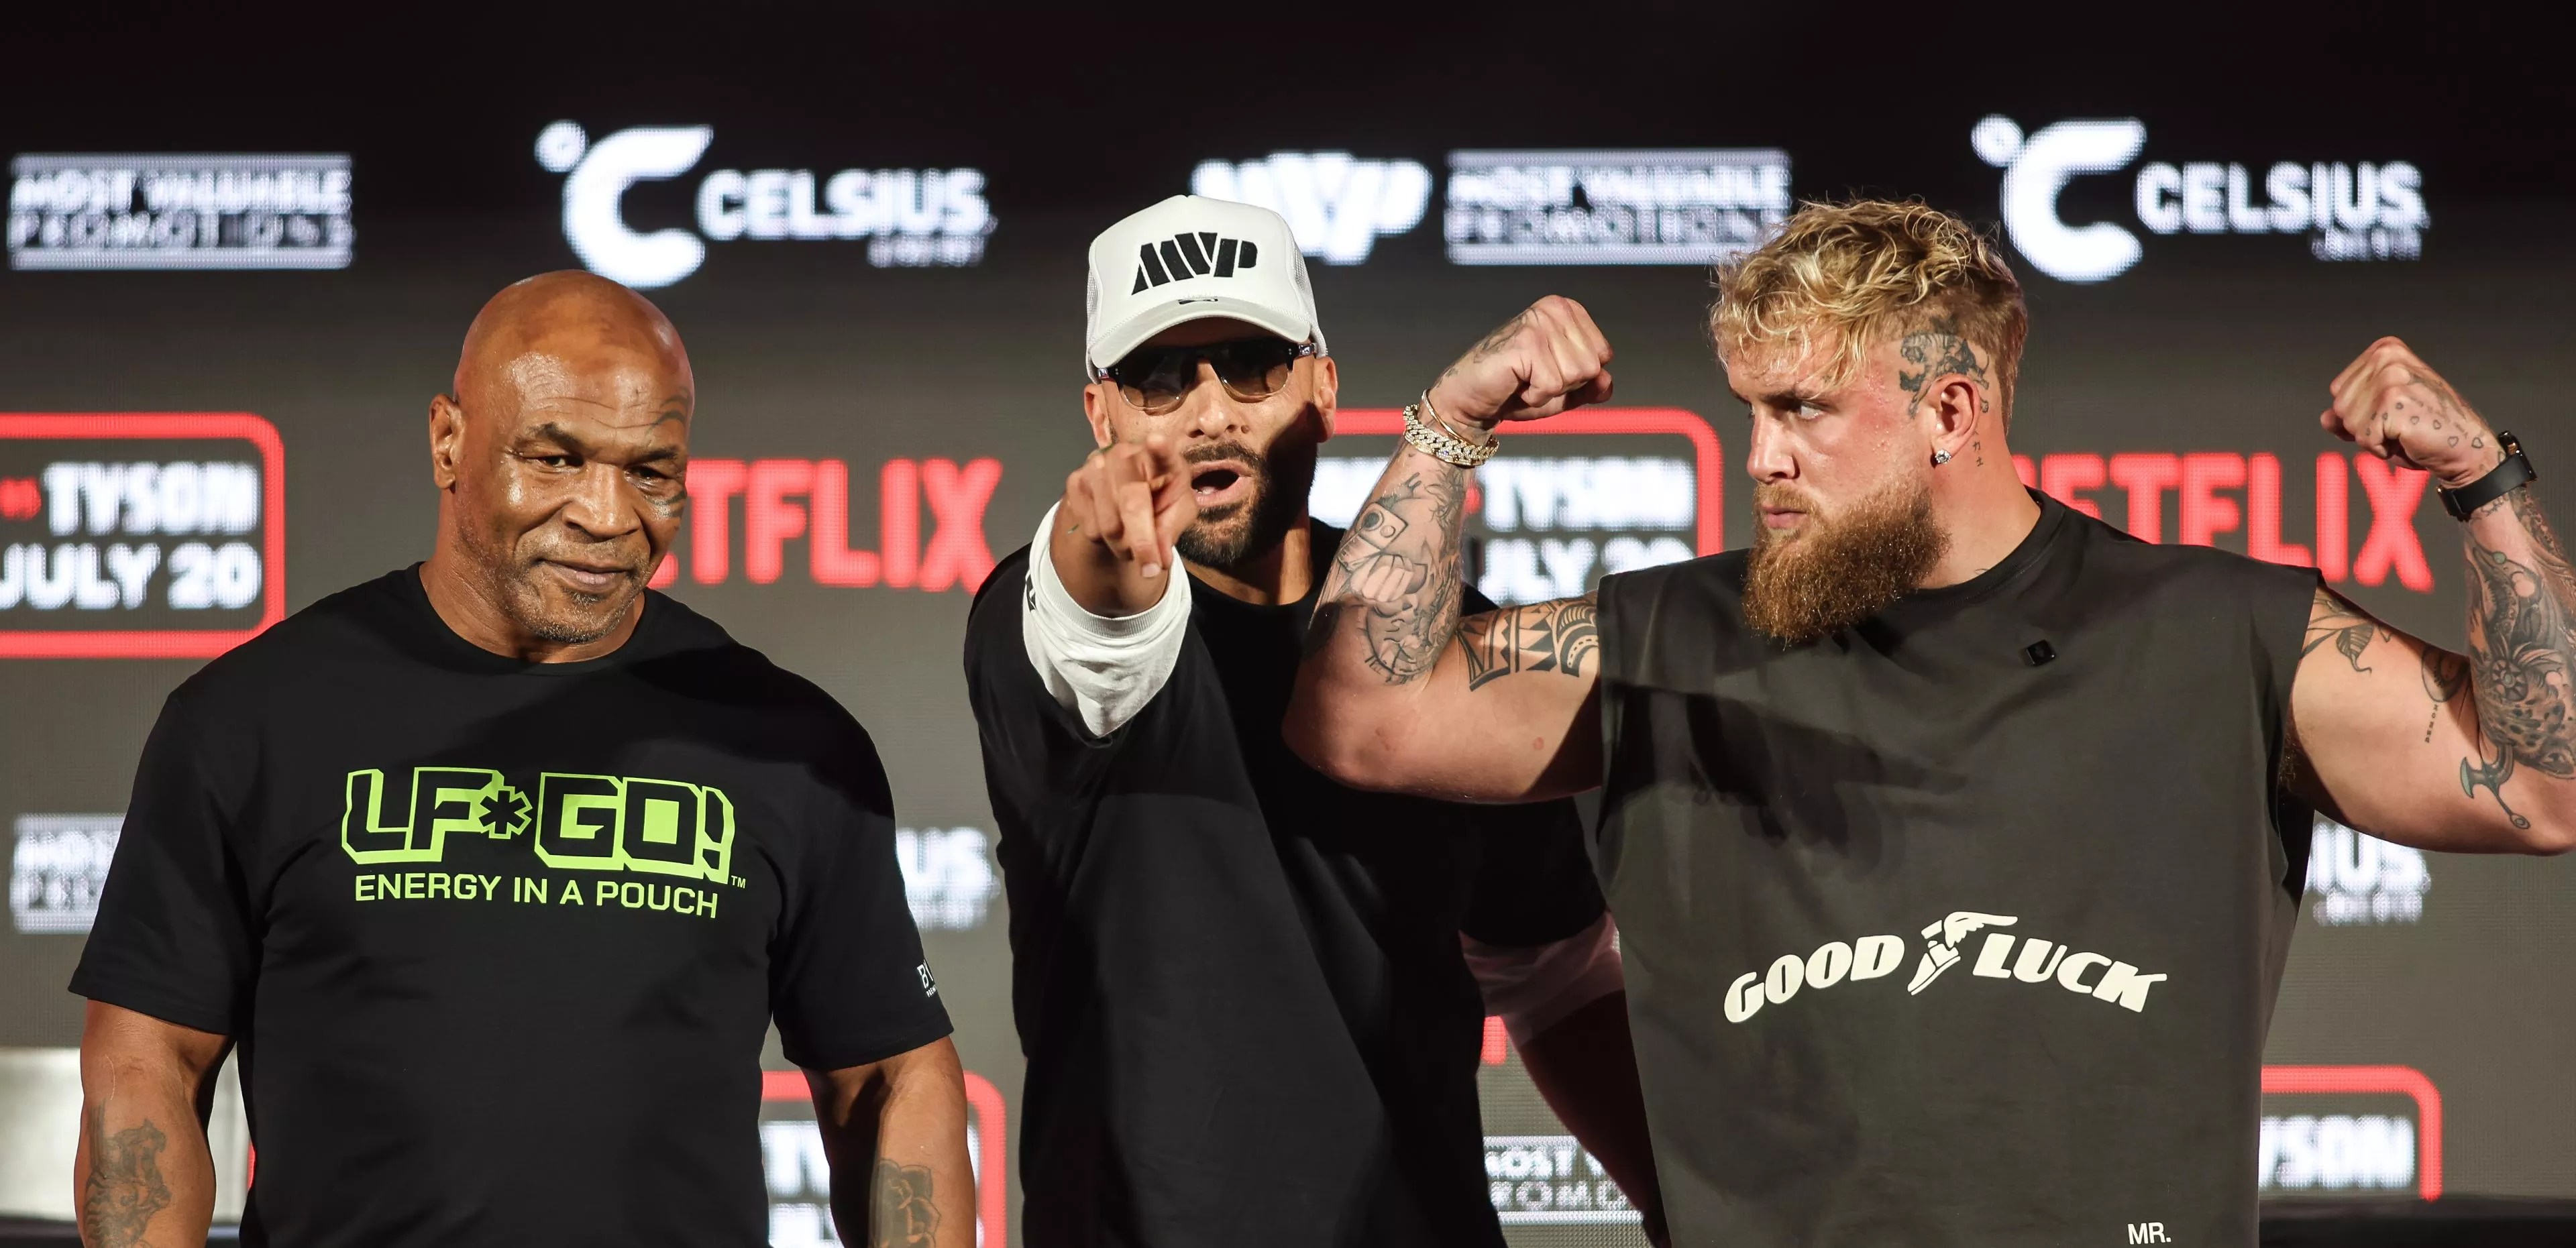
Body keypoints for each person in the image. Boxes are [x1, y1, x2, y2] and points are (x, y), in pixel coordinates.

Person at [1285, 199, 2575, 1245]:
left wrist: (2485, 480)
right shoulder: (1667, 644)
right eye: (1752, 411)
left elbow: (2543, 784)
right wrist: (1450, 426)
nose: (1762, 457)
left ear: (1953, 410)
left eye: (1803, 411)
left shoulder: (2220, 632)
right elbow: (1359, 715)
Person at [70, 272, 971, 1247]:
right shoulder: (252, 719)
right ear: (448, 440)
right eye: (556, 457)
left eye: (651, 471)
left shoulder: (788, 743)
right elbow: (147, 1058)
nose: (606, 513)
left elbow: (893, 1077)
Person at [962, 196, 1664, 1246]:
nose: (1208, 412)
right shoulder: (1042, 616)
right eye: (1160, 377)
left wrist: (1678, 1202)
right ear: (1101, 414)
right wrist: (1097, 545)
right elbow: (1099, 623)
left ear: (1323, 387)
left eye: (1250, 364)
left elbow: (1551, 966)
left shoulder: (1442, 634)